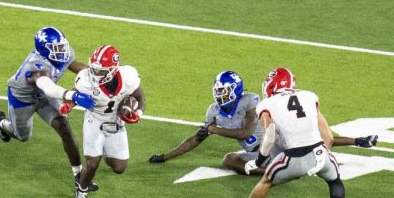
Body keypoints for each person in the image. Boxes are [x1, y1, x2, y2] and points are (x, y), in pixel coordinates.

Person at [148, 70, 378, 172]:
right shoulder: (213, 112)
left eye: (225, 91)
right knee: (228, 159)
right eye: (218, 91)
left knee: (316, 138)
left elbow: (245, 130)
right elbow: (195, 140)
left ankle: (358, 141)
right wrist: (165, 156)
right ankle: (269, 169)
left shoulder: (250, 101)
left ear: (236, 90)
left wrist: (214, 129)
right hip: (261, 152)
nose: (220, 96)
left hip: (278, 142)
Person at [228, 68, 354, 198]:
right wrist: (322, 158)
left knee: (266, 181)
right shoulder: (309, 96)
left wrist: (259, 161)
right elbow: (328, 137)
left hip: (293, 158)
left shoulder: (267, 104)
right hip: (319, 153)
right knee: (334, 180)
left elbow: (270, 135)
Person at [0, 27, 98, 192]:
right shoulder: (36, 66)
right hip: (23, 99)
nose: (62, 51)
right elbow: (48, 87)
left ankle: (79, 176)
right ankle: (3, 125)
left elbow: (75, 65)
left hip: (44, 97)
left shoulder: (63, 54)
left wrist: (97, 75)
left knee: (64, 127)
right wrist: (73, 95)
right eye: (57, 48)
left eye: (62, 46)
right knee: (22, 136)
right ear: (44, 50)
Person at [72, 45, 145, 198]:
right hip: (94, 119)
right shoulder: (85, 80)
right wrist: (69, 104)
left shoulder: (128, 77)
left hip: (116, 121)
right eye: (94, 68)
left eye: (100, 71)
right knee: (92, 163)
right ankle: (81, 191)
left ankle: (105, 150)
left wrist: (138, 113)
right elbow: (74, 95)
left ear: (113, 70)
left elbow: (140, 96)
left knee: (119, 168)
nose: (94, 73)